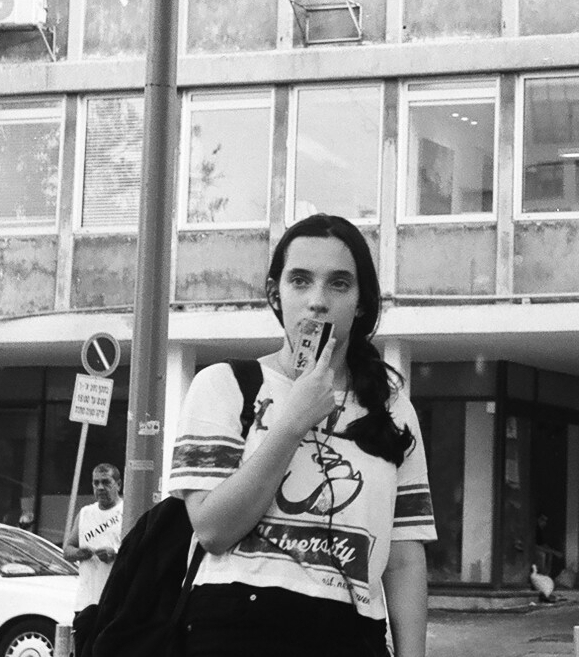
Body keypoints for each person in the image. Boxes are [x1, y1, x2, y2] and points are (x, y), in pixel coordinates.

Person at [167, 214, 436, 657]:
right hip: (237, 628)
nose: (317, 301)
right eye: (300, 281)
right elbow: (213, 528)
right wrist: (292, 421)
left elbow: (404, 556)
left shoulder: (391, 408)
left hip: (350, 633)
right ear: (276, 294)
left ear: (362, 303)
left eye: (339, 284)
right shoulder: (225, 385)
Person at [66, 463, 124, 657]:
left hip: (115, 601)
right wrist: (80, 553)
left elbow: (136, 554)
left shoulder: (125, 513)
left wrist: (114, 553)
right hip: (86, 601)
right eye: (96, 483)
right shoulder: (85, 513)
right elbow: (68, 549)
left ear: (118, 484)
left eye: (106, 482)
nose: (100, 488)